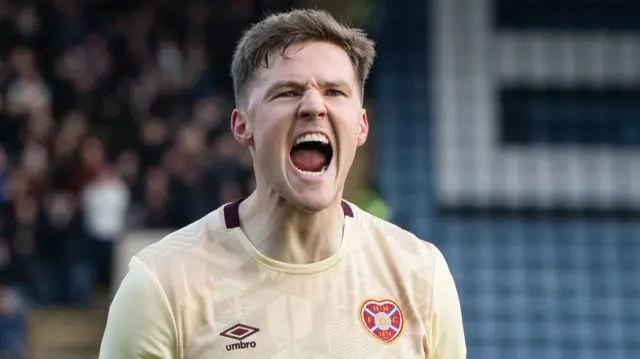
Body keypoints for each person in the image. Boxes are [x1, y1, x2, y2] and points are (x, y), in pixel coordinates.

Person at [99, 9, 466, 359]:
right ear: (242, 125)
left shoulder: (420, 275)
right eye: (287, 92)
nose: (313, 106)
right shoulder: (163, 285)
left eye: (335, 92)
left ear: (361, 126)